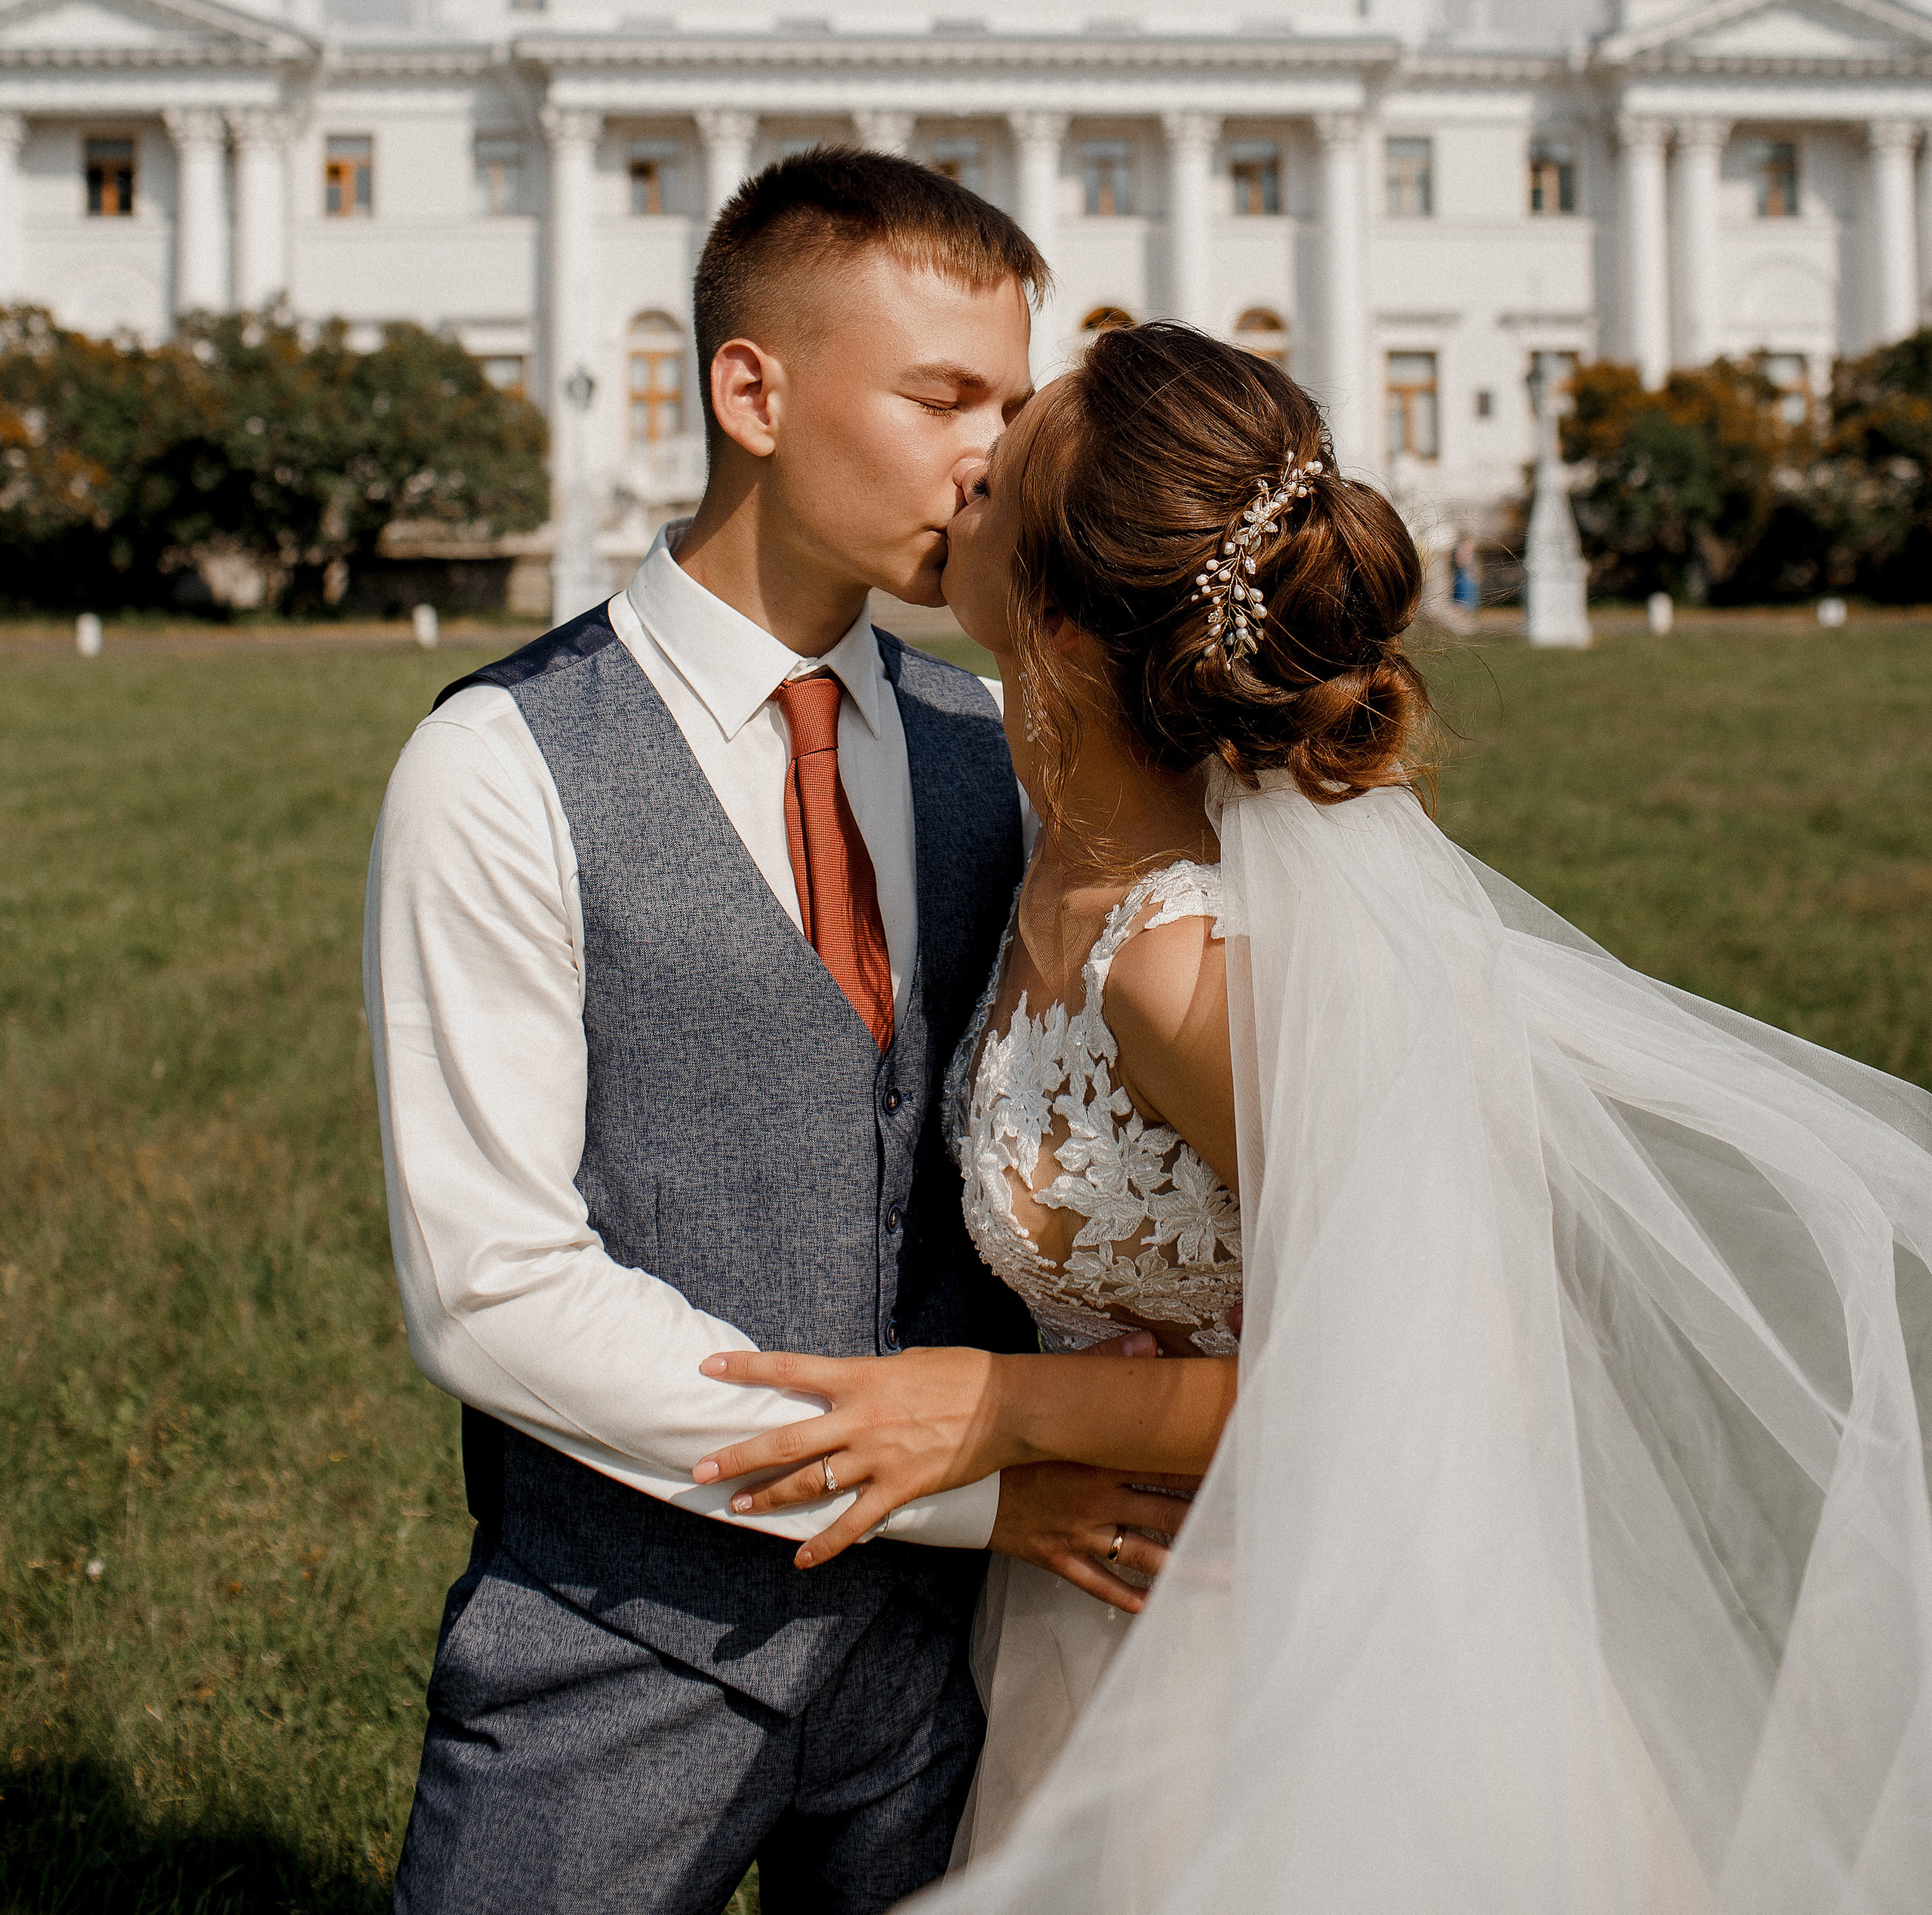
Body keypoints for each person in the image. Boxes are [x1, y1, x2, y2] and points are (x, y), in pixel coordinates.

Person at [698, 320, 1932, 1913]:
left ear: (1064, 625)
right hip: (1097, 1607)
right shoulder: (1037, 860)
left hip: (1275, 1645)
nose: (960, 466)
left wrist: (1003, 1406)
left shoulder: (1183, 976)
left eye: (999, 471)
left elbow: (1439, 1375)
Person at [365, 149, 1163, 1915]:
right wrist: (962, 1483)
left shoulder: (994, 749)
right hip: (619, 1654)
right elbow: (491, 1286)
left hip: (949, 1678)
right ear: (752, 390)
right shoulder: (498, 768)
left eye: (1013, 401)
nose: (997, 453)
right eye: (944, 394)